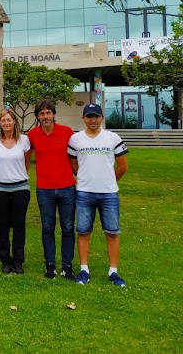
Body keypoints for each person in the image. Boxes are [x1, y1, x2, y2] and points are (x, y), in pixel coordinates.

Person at [68, 104, 129, 286]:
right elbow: (73, 165)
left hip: (109, 194)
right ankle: (84, 270)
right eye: (89, 117)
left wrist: (110, 181)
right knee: (83, 232)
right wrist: (86, 179)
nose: (93, 120)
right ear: (83, 119)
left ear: (102, 118)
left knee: (112, 232)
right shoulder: (75, 139)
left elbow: (123, 166)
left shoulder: (112, 138)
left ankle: (113, 272)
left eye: (96, 116)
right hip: (84, 193)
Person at [27, 99, 76, 280]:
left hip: (67, 188)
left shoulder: (67, 132)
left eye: (48, 113)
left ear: (54, 114)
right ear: (38, 117)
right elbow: (25, 156)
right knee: (47, 227)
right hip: (44, 189)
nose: (45, 116)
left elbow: (76, 156)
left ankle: (67, 266)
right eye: (42, 113)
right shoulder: (32, 135)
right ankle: (50, 265)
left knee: (68, 227)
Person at [0, 109, 31, 274]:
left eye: (9, 120)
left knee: (19, 225)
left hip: (21, 188)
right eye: (3, 121)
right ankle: (5, 259)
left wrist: (17, 175)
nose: (6, 123)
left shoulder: (24, 140)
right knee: (4, 224)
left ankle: (18, 260)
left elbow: (26, 162)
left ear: (14, 121)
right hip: (0, 188)